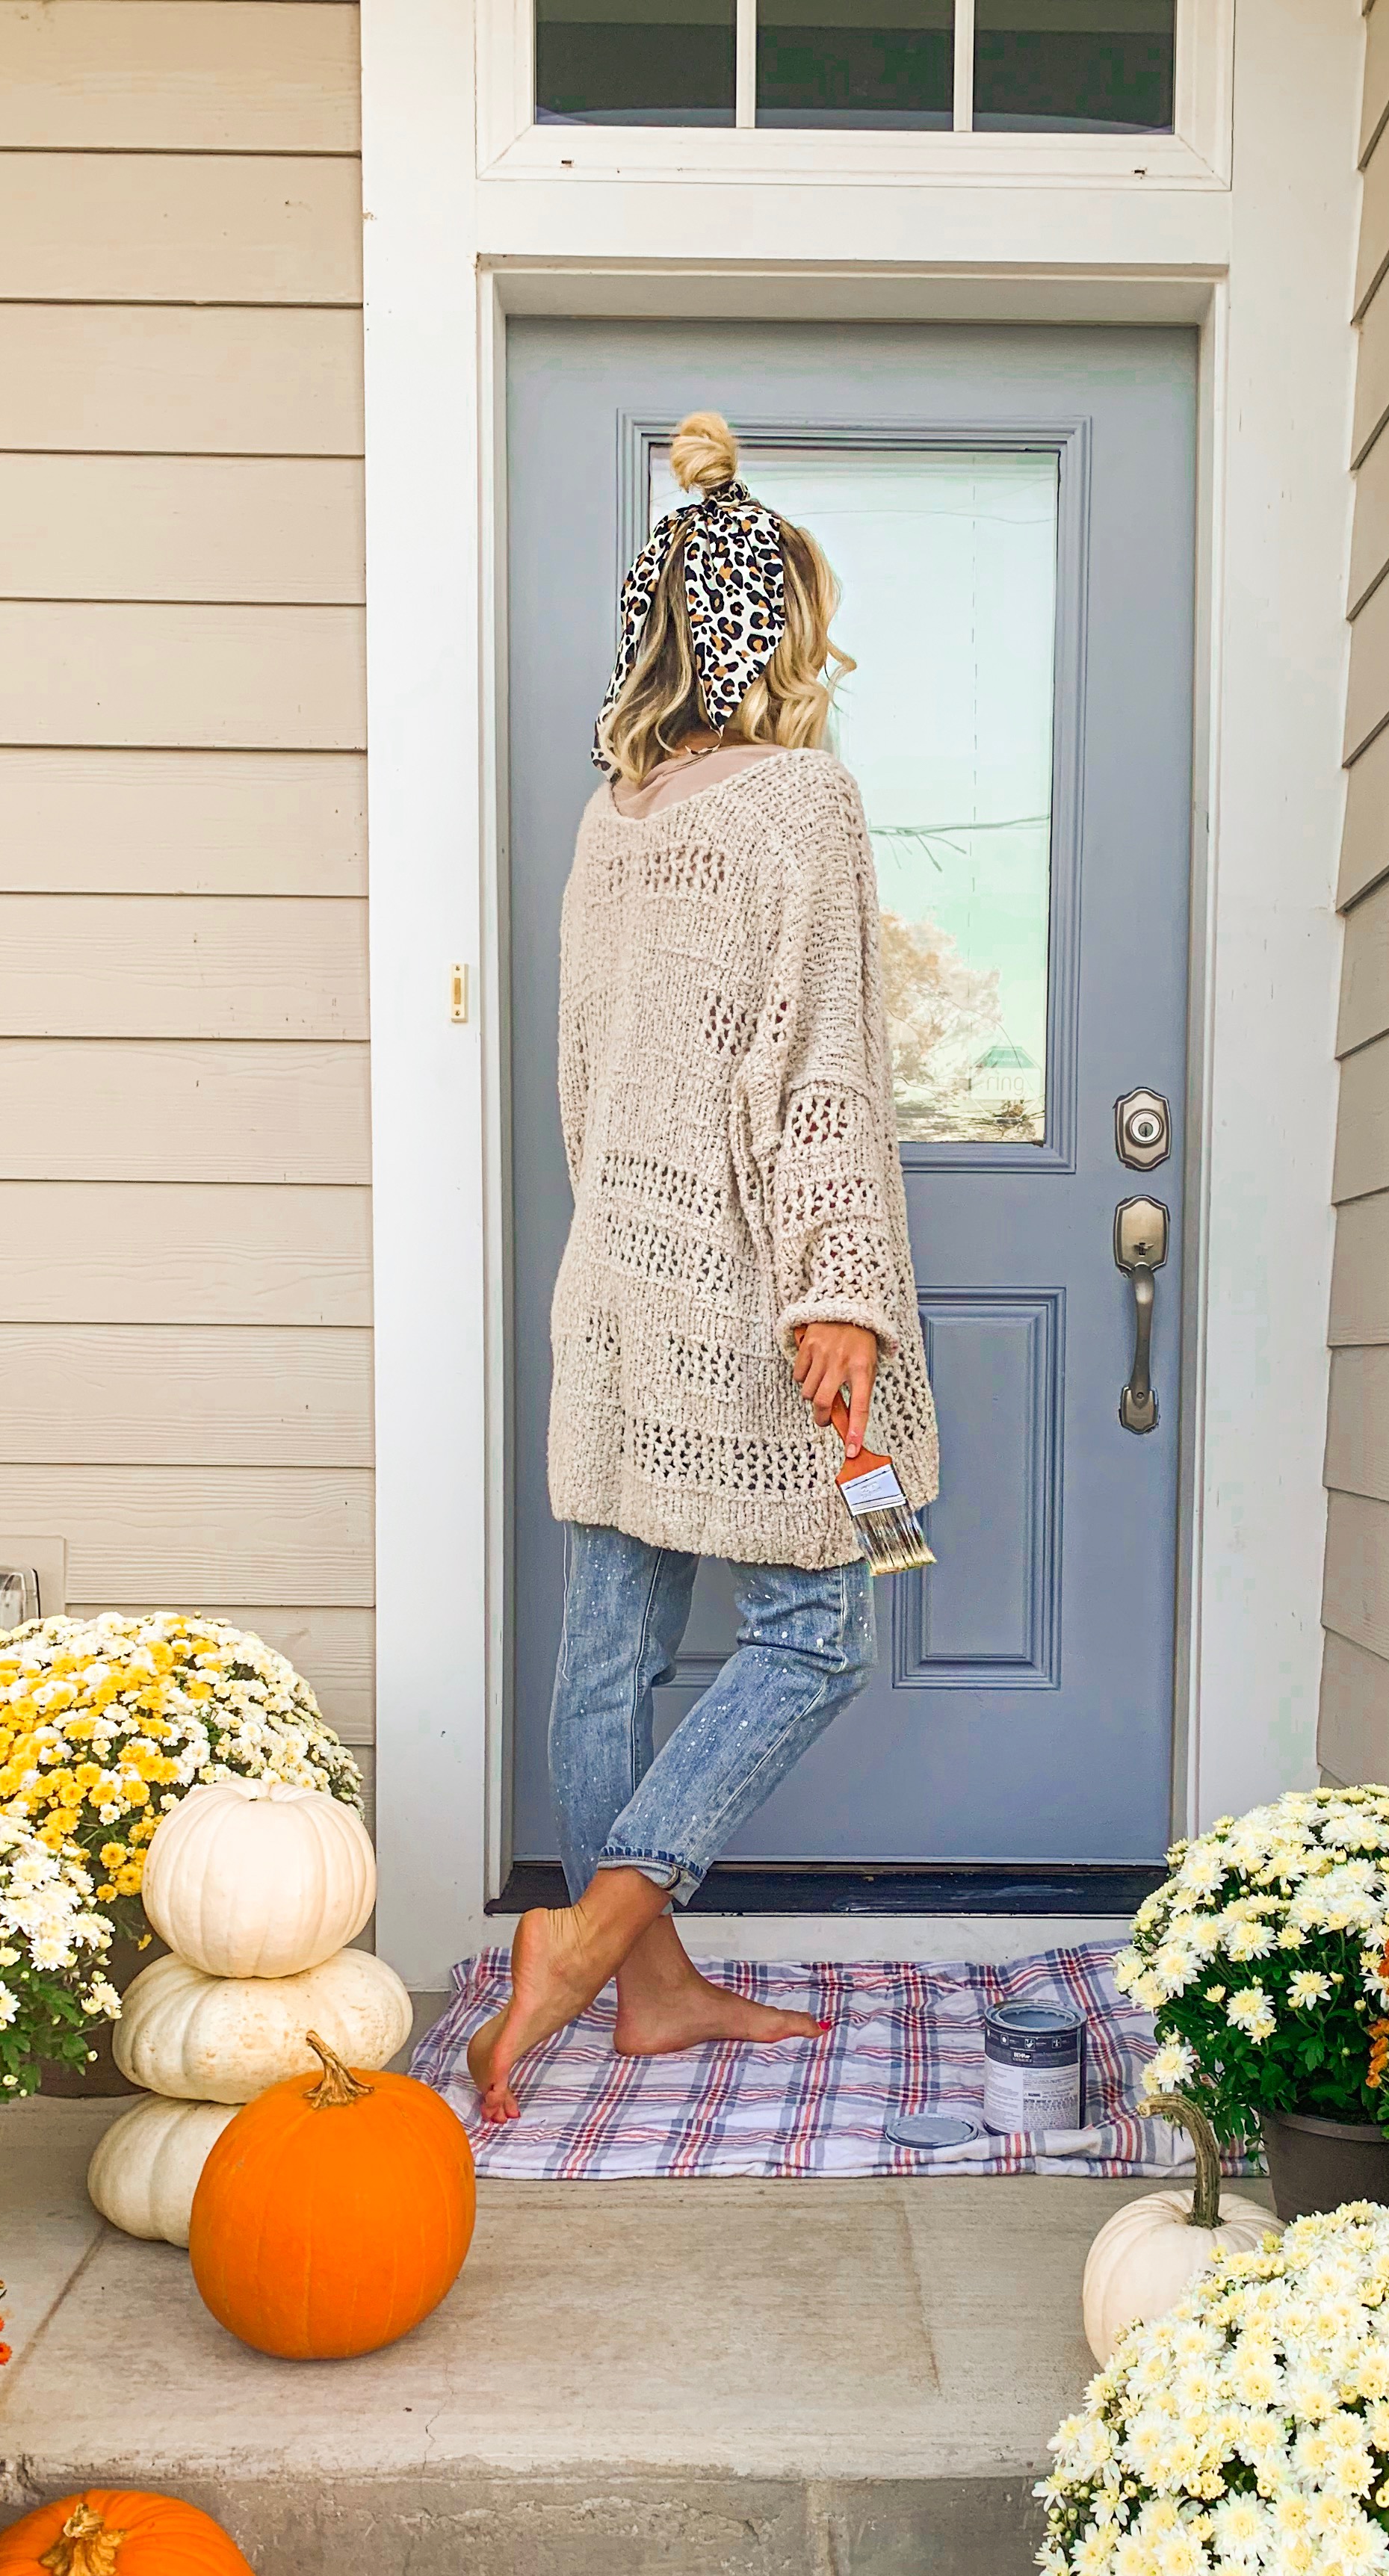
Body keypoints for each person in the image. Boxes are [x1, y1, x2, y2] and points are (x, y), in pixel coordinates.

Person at [470, 411, 940, 2123]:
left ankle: (649, 1987)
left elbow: (600, 1081)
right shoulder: (805, 800)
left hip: (611, 1279)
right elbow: (818, 1063)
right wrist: (838, 1287)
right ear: (778, 636)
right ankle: (596, 1944)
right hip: (746, 1278)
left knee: (610, 1646)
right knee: (816, 1625)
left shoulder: (619, 816)